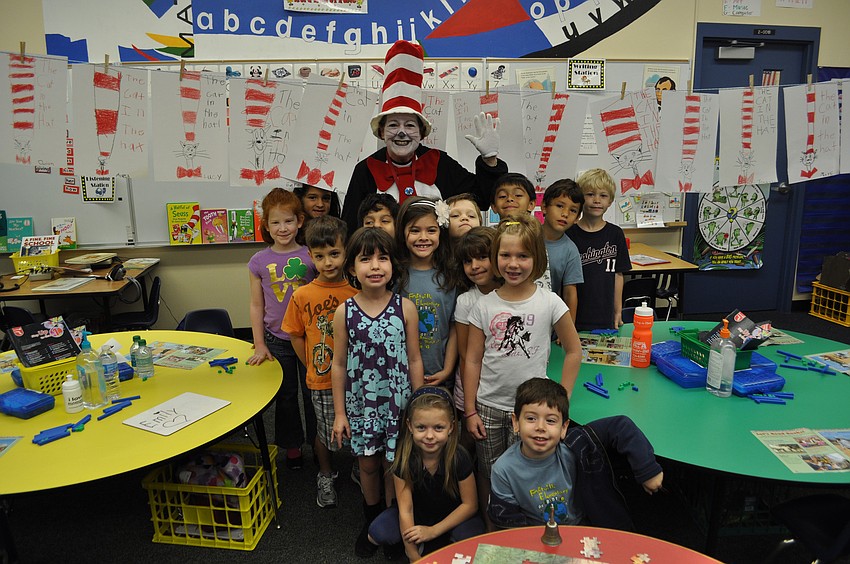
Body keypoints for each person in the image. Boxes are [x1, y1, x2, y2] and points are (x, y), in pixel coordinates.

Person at [463, 215, 582, 512]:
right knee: (490, 473)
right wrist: (469, 410)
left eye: (523, 256)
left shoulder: (550, 301)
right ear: (495, 258)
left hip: (533, 411)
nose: (513, 264)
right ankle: (491, 526)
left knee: (531, 475)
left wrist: (562, 398)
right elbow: (472, 359)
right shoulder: (484, 304)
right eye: (505, 255)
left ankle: (525, 528)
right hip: (489, 407)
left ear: (537, 259)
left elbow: (573, 351)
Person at [341, 40, 508, 232]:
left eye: (410, 125)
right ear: (381, 132)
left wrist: (490, 160)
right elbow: (351, 228)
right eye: (393, 125)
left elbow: (482, 199)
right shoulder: (365, 171)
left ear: (421, 133)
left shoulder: (439, 163)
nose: (402, 132)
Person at [331, 227, 424, 557]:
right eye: (365, 258)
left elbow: (414, 358)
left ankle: (393, 524)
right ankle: (371, 519)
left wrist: (418, 404)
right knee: (368, 465)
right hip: (363, 406)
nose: (374, 266)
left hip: (399, 405)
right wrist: (341, 413)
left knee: (394, 466)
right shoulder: (345, 312)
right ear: (352, 267)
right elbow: (339, 365)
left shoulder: (406, 308)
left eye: (382, 258)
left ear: (393, 266)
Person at [489, 378, 664, 530]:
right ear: (515, 422)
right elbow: (507, 523)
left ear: (564, 427)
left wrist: (648, 470)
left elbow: (620, 425)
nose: (540, 427)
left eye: (550, 421)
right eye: (531, 418)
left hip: (587, 532)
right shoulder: (503, 470)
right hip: (538, 541)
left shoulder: (575, 445)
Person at [282, 215, 357, 508]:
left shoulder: (356, 292)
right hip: (322, 378)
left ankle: (360, 468)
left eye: (335, 254)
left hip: (355, 379)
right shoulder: (302, 294)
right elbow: (295, 334)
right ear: (311, 256)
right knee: (325, 433)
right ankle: (325, 473)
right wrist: (309, 366)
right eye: (320, 256)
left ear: (345, 253)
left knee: (357, 427)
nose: (328, 262)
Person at [366, 386, 484, 560]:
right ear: (410, 426)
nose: (429, 436)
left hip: (452, 515)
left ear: (451, 427)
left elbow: (470, 505)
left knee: (473, 536)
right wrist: (413, 555)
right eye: (421, 427)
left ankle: (440, 540)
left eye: (438, 428)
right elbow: (406, 509)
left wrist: (433, 531)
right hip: (418, 514)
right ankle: (418, 544)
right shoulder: (404, 457)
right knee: (377, 533)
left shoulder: (459, 457)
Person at [247, 187, 316, 470]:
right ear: (266, 225)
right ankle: (292, 447)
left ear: (300, 221)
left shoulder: (312, 255)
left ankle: (321, 444)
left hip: (311, 338)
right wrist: (260, 343)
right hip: (277, 340)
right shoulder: (258, 261)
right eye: (275, 222)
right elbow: (256, 305)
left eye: (288, 221)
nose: (282, 228)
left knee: (314, 394)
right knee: (286, 398)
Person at [452, 226, 500, 525]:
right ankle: (464, 500)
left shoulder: (514, 293)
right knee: (469, 447)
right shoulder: (466, 301)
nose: (475, 266)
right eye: (468, 262)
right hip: (470, 387)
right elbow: (464, 353)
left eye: (483, 257)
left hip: (502, 388)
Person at [397, 197, 461, 389]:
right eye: (415, 230)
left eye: (431, 230)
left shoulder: (450, 276)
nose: (423, 237)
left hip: (439, 375)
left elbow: (454, 328)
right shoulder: (394, 276)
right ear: (403, 233)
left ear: (441, 232)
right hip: (399, 375)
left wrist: (447, 369)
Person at [567, 168, 631, 331]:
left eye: (603, 195)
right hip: (575, 316)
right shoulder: (569, 234)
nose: (597, 200)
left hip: (605, 315)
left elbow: (618, 275)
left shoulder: (616, 234)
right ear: (580, 199)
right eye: (590, 194)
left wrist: (618, 311)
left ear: (610, 201)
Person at [541, 179, 584, 320]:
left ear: (577, 218)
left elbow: (570, 293)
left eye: (573, 210)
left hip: (547, 318)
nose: (565, 214)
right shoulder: (525, 237)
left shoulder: (570, 250)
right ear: (544, 207)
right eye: (559, 206)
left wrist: (568, 329)